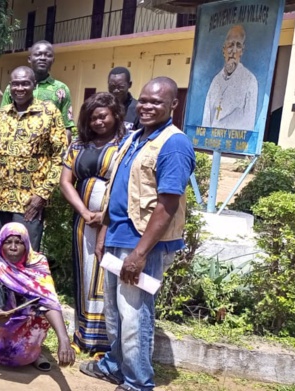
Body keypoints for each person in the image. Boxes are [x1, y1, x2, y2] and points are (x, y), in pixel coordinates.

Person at [81, 77, 195, 391]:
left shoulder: (174, 144)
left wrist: (140, 253)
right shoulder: (136, 137)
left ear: (173, 105)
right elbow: (119, 191)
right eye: (143, 100)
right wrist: (105, 231)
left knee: (135, 315)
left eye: (156, 102)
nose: (146, 106)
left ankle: (137, 382)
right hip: (119, 235)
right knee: (115, 313)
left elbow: (167, 204)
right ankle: (115, 366)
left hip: (143, 245)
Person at [59, 92, 125, 356]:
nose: (98, 122)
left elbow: (123, 185)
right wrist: (85, 212)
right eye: (93, 117)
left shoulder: (124, 146)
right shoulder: (78, 146)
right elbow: (66, 181)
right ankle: (82, 335)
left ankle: (104, 342)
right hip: (83, 222)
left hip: (113, 221)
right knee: (84, 275)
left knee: (105, 277)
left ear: (115, 116)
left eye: (103, 116)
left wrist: (104, 215)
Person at [0, 222, 75, 370]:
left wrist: (64, 339)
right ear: (0, 243)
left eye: (19, 242)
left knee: (26, 348)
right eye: (8, 242)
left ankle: (33, 353)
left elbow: (50, 301)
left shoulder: (37, 263)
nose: (13, 247)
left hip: (26, 321)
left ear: (27, 244)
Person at [0, 66, 68, 252]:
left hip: (30, 203)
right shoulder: (2, 115)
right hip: (2, 202)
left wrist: (42, 194)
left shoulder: (49, 113)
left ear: (34, 85)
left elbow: (60, 156)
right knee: (2, 257)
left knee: (26, 256)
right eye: (15, 84)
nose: (20, 88)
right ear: (10, 86)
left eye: (25, 84)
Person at [1, 41, 76, 139]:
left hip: (48, 150)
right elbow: (2, 119)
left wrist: (62, 152)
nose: (43, 58)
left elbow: (67, 126)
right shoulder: (13, 88)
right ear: (29, 59)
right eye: (38, 54)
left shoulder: (61, 89)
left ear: (53, 60)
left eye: (48, 55)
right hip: (16, 147)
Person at [202, 25, 258, 130]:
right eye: (231, 45)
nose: (234, 50)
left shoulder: (250, 81)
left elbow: (248, 124)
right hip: (212, 142)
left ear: (242, 51)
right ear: (224, 50)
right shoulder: (215, 81)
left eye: (238, 45)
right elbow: (206, 119)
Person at [108, 67, 141, 132]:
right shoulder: (102, 106)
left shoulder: (138, 108)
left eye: (121, 87)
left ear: (129, 84)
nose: (116, 90)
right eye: (112, 86)